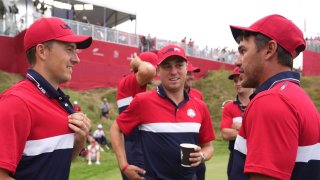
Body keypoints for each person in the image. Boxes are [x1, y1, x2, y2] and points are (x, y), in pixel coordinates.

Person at [229, 14, 320, 180]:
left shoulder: (270, 100)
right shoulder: (296, 96)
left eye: (243, 51)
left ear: (269, 50)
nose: (237, 61)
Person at [0, 17, 92, 179]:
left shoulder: (58, 101)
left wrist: (78, 142)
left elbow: (48, 165)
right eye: (69, 49)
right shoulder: (16, 102)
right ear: (42, 51)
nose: (77, 59)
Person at [111, 44, 215, 179]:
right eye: (167, 66)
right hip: (139, 160)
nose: (173, 71)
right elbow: (116, 128)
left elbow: (208, 147)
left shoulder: (200, 106)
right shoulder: (142, 100)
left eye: (179, 65)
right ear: (158, 71)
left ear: (186, 68)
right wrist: (123, 165)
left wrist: (202, 156)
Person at [116, 51, 158, 180]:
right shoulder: (130, 81)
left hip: (135, 148)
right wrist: (138, 62)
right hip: (135, 151)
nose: (156, 73)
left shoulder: (137, 85)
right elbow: (148, 71)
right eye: (156, 68)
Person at [219, 67, 253, 178]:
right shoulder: (229, 107)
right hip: (236, 158)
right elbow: (225, 134)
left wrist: (239, 127)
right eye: (235, 81)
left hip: (257, 157)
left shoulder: (261, 103)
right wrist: (251, 130)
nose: (238, 83)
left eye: (241, 79)